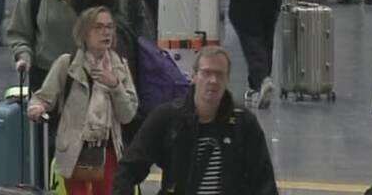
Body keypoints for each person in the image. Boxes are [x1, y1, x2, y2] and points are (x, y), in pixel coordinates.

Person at [110, 45, 278, 195]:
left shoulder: (244, 124)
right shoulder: (167, 118)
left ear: (227, 80)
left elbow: (264, 182)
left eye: (219, 75)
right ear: (194, 76)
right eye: (206, 73)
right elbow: (128, 170)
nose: (213, 80)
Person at [27, 6, 139, 195]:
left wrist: (115, 86)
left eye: (110, 27)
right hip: (74, 151)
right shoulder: (68, 63)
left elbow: (127, 115)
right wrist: (37, 106)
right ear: (84, 33)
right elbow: (43, 96)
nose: (106, 32)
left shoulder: (120, 67)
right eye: (98, 27)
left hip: (108, 151)